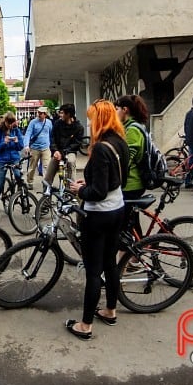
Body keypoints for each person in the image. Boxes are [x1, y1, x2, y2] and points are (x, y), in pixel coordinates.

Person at [65, 99, 128, 340]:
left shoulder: (101, 148)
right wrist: (88, 184)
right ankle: (110, 311)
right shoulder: (119, 142)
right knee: (110, 263)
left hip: (99, 213)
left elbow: (98, 191)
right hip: (117, 208)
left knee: (93, 271)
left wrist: (80, 190)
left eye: (92, 117)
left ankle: (85, 325)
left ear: (100, 119)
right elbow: (115, 180)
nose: (89, 122)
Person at [114, 94, 149, 237]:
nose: (115, 113)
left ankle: (133, 255)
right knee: (131, 222)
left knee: (126, 224)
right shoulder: (129, 127)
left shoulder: (133, 129)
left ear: (125, 109)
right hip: (130, 182)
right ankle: (135, 253)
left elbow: (125, 160)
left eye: (117, 109)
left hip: (131, 183)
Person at [0, 112, 25, 221]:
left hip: (14, 158)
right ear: (5, 121)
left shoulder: (16, 130)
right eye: (8, 123)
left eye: (11, 123)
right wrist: (4, 143)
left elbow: (20, 147)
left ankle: (19, 196)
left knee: (19, 177)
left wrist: (17, 141)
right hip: (2, 160)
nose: (10, 125)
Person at [45, 103, 85, 183]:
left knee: (70, 162)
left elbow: (77, 144)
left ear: (68, 114)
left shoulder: (78, 127)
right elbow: (52, 138)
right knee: (48, 176)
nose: (60, 115)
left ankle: (71, 190)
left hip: (70, 152)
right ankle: (47, 192)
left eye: (62, 113)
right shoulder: (57, 124)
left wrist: (63, 152)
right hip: (57, 152)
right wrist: (55, 150)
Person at [22, 106, 53, 187]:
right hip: (34, 148)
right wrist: (26, 145)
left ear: (45, 114)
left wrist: (52, 145)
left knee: (47, 166)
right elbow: (28, 133)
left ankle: (46, 183)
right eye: (38, 112)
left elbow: (51, 134)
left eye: (41, 113)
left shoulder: (49, 123)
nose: (38, 114)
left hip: (46, 148)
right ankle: (30, 182)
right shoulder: (33, 122)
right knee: (32, 167)